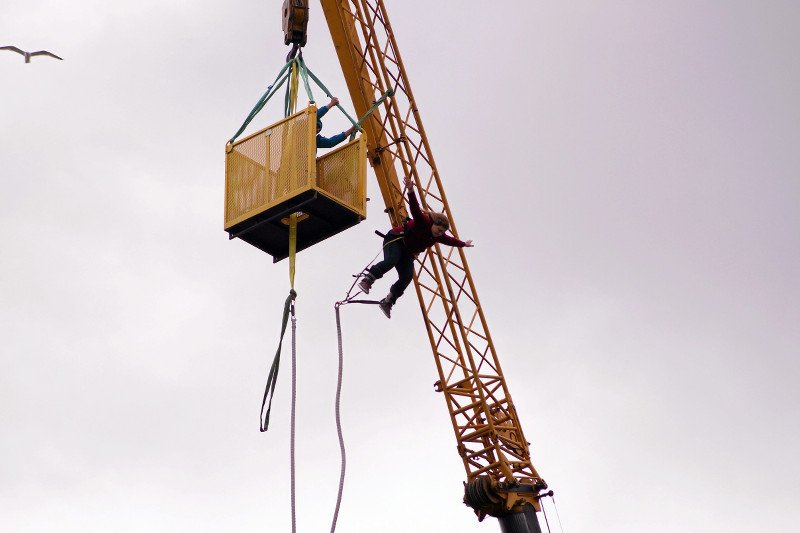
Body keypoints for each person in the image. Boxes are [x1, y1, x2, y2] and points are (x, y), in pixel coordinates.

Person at [358, 175, 474, 318]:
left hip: (407, 253)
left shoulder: (438, 236)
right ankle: (368, 279)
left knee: (407, 276)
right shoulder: (423, 221)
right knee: (391, 260)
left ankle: (388, 301)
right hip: (396, 241)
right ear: (433, 224)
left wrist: (463, 244)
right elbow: (415, 208)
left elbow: (451, 241)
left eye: (442, 232)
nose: (439, 233)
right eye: (438, 229)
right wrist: (411, 190)